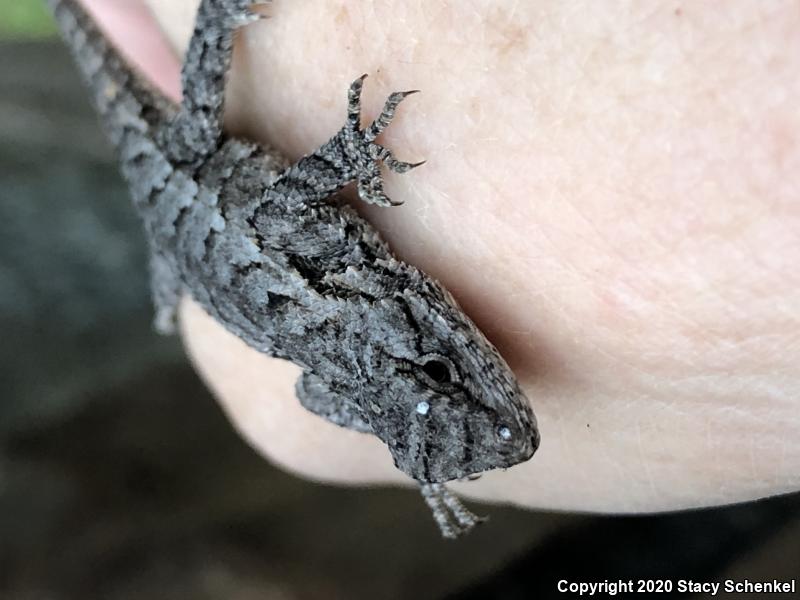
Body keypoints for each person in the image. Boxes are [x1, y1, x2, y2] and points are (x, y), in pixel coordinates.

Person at [79, 0, 800, 513]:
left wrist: (348, 156)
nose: (465, 368)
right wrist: (402, 421)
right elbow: (309, 393)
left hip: (189, 185)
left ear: (421, 350)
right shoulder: (351, 333)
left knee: (193, 120)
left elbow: (278, 214)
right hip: (191, 239)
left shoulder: (338, 291)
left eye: (439, 368)